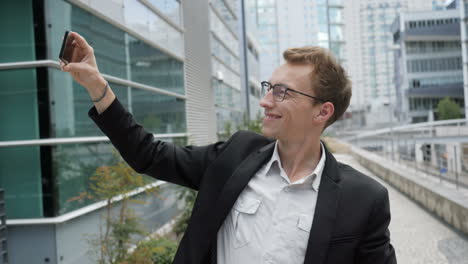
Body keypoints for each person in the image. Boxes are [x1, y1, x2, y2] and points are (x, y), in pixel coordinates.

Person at [61, 31, 396, 264]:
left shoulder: (364, 199)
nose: (265, 101)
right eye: (268, 88)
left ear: (322, 112)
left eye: (282, 92)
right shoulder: (237, 154)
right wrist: (96, 85)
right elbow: (148, 154)